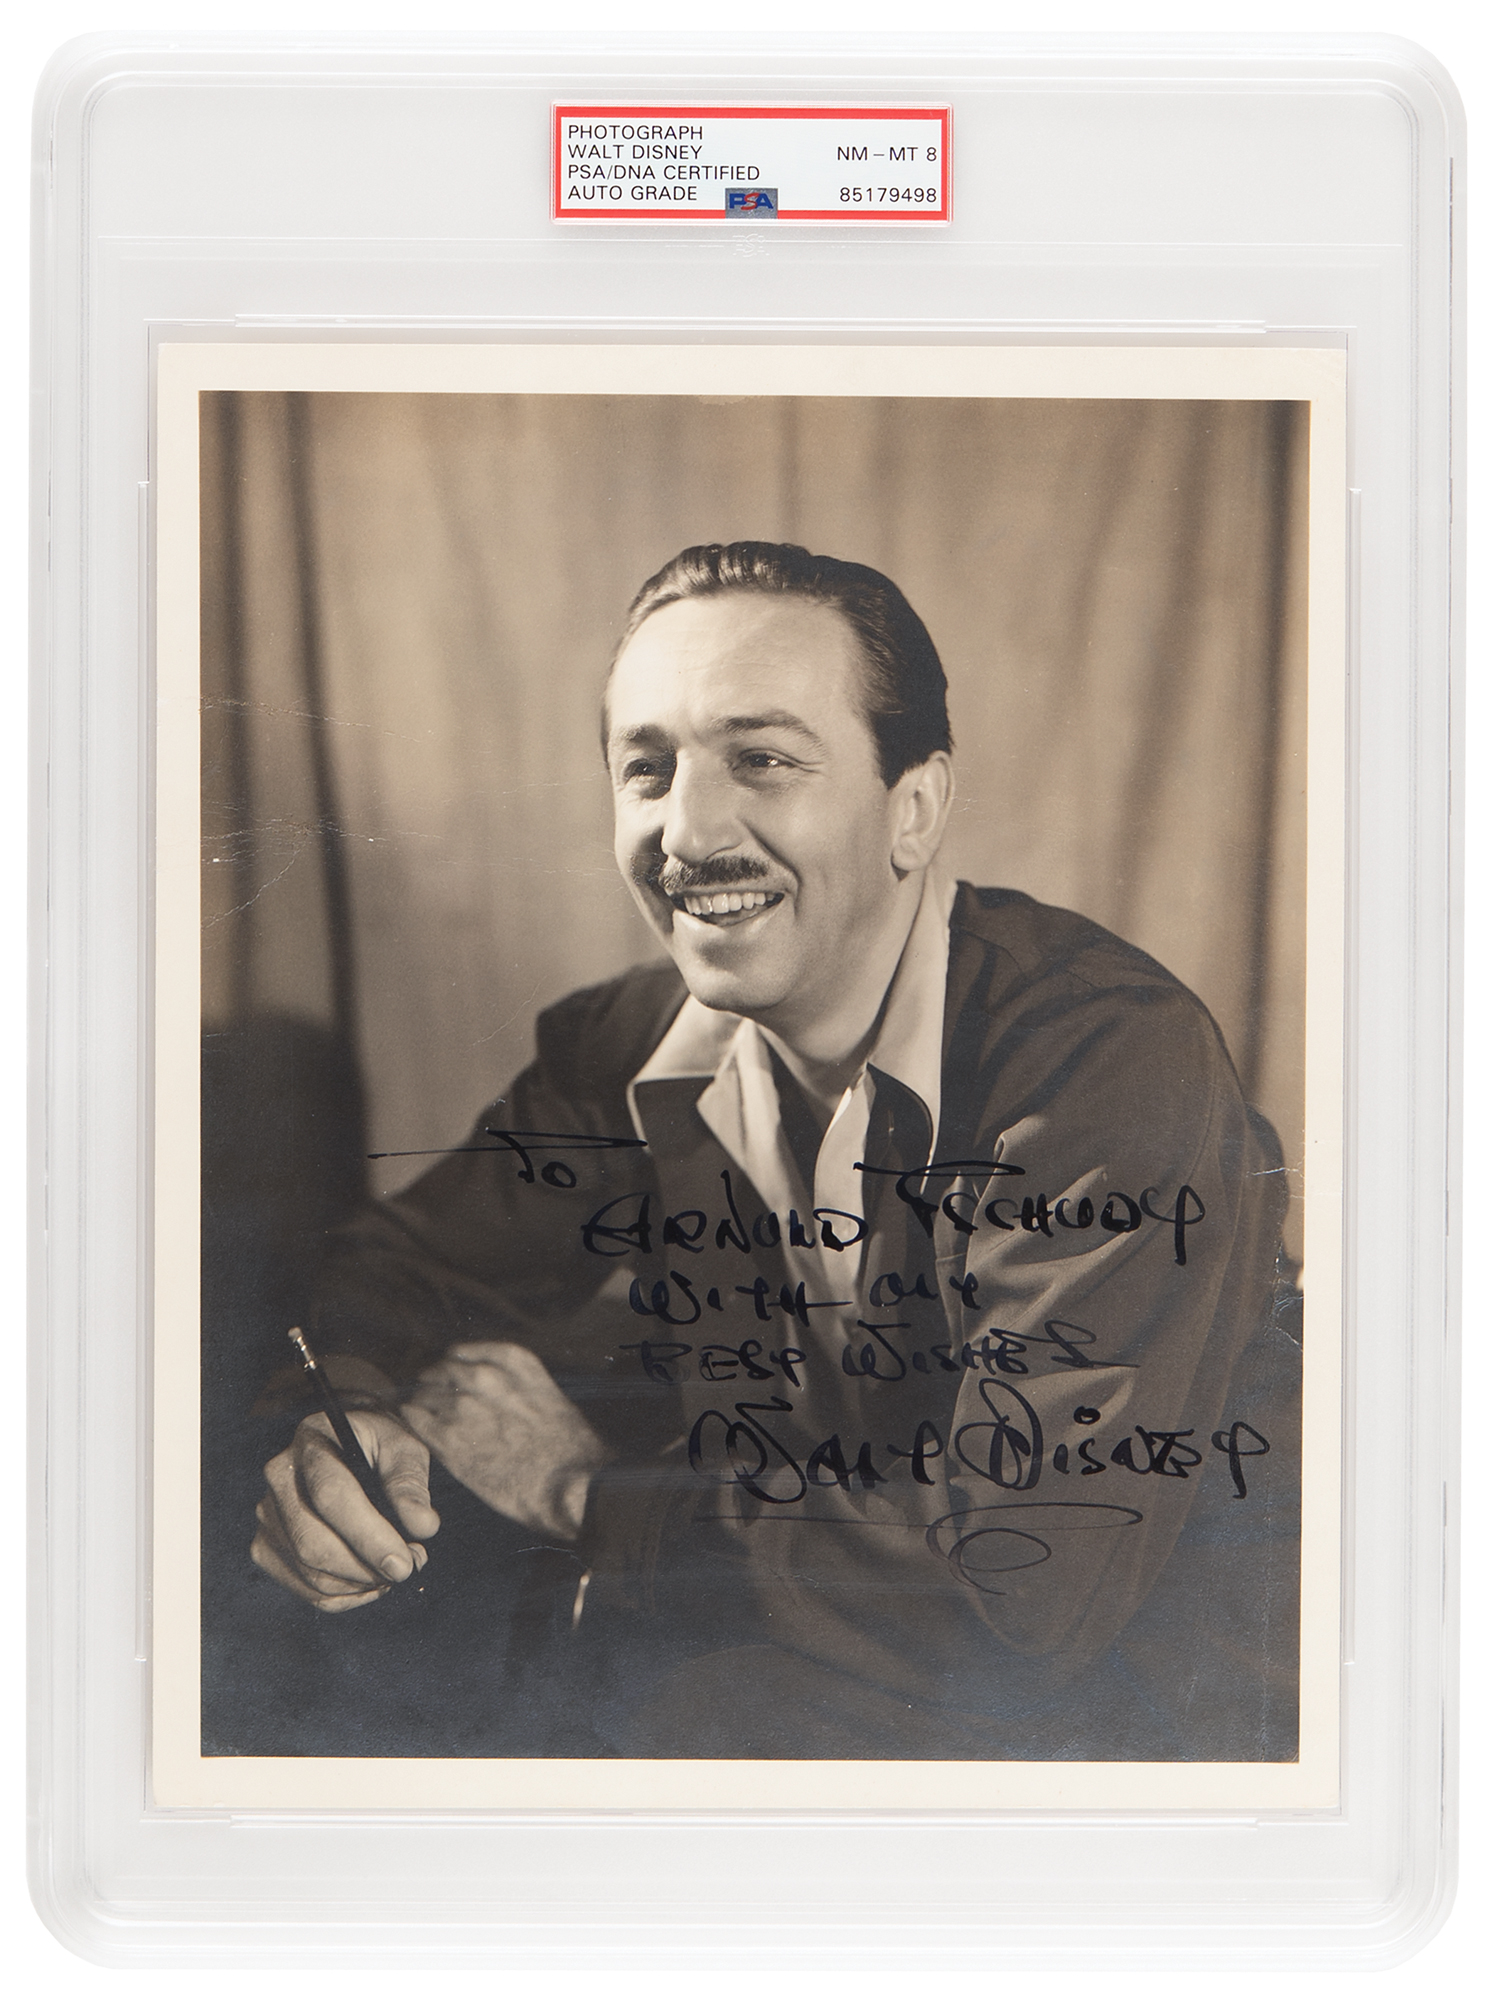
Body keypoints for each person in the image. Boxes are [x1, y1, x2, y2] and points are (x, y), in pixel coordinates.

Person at [250, 541, 1300, 1760]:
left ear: (912, 809)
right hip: (822, 1680)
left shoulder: (1103, 1060)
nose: (688, 833)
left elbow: (1019, 1588)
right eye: (647, 769)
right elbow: (390, 1270)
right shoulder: (625, 1043)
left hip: (1165, 1736)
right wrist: (340, 1424)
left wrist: (584, 1492)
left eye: (760, 759)